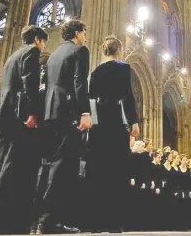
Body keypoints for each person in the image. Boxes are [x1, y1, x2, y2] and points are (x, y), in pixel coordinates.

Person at [0, 26, 47, 234]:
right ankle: (8, 221)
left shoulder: (12, 56)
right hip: (20, 119)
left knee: (0, 166)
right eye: (43, 42)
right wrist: (32, 113)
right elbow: (29, 84)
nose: (43, 46)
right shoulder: (31, 52)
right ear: (37, 40)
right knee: (14, 169)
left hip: (6, 118)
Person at [34, 19, 92, 234]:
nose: (85, 36)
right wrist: (84, 112)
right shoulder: (80, 51)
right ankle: (50, 221)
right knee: (64, 167)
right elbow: (79, 82)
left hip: (50, 113)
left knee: (50, 165)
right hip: (68, 113)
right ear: (77, 33)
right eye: (84, 32)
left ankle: (43, 218)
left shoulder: (55, 54)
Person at [87, 35, 140, 232]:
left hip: (98, 123)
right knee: (117, 169)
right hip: (116, 121)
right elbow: (127, 95)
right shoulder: (123, 67)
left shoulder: (95, 71)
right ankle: (114, 222)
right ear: (119, 50)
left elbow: (90, 98)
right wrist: (133, 121)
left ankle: (95, 221)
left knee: (99, 169)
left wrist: (94, 122)